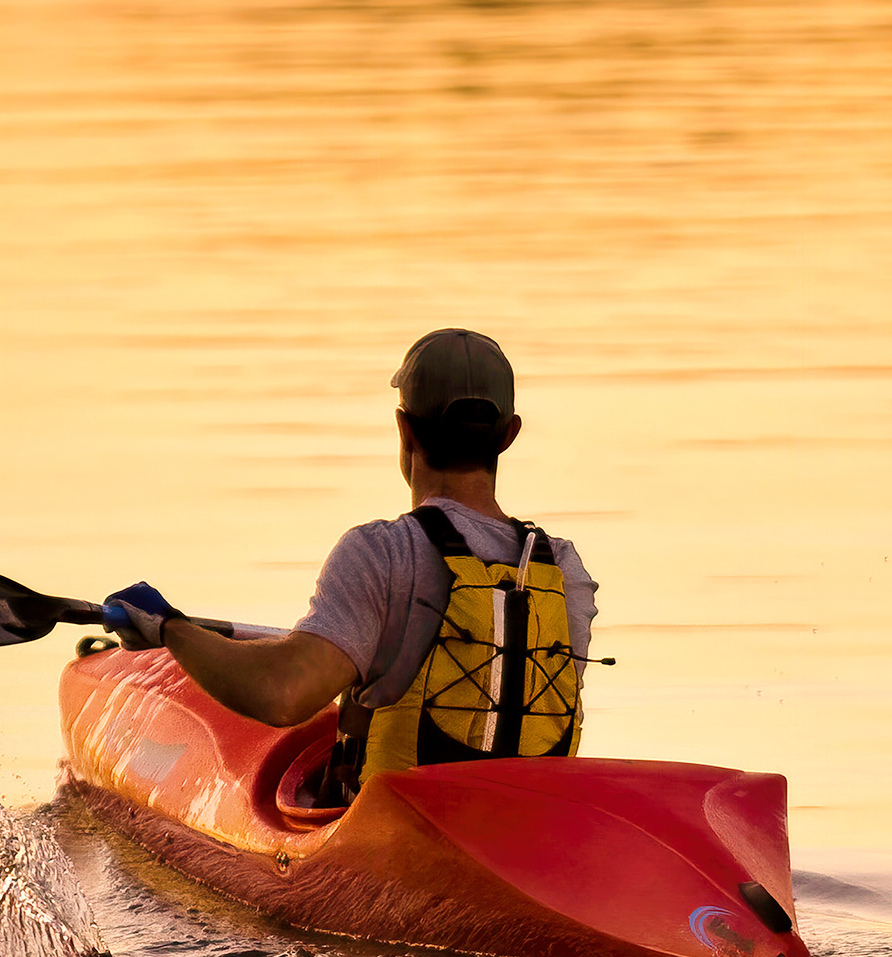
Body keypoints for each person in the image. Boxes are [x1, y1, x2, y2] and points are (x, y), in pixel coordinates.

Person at [99, 330, 598, 806]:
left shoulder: (384, 551)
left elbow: (284, 696)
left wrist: (171, 630)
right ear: (509, 435)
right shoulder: (562, 568)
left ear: (404, 428)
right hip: (532, 826)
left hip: (403, 833)